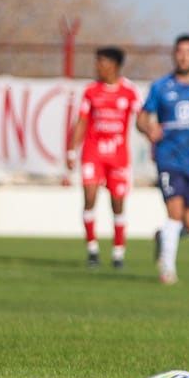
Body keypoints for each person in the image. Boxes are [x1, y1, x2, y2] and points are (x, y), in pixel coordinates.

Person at [137, 33, 189, 285]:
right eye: (179, 51)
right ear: (174, 54)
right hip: (168, 160)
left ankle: (162, 237)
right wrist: (149, 129)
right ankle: (167, 270)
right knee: (174, 215)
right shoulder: (161, 87)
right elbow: (142, 118)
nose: (183, 56)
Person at [67, 47, 140, 269]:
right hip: (93, 153)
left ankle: (118, 253)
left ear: (115, 65)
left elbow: (142, 117)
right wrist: (72, 150)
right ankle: (92, 250)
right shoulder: (91, 91)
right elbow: (82, 121)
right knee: (89, 197)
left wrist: (153, 132)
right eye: (97, 61)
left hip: (118, 156)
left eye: (102, 62)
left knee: (117, 203)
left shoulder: (129, 92)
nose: (97, 66)